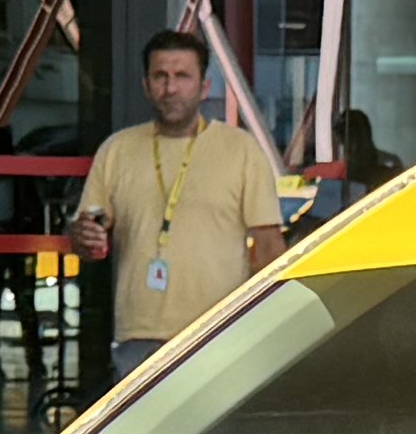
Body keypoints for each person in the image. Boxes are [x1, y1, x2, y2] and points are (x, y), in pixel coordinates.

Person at [67, 29, 294, 370]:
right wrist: (83, 236)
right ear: (146, 86)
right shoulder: (117, 150)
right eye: (160, 76)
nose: (170, 88)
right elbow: (87, 238)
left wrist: (267, 332)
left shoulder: (241, 150)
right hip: (138, 337)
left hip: (218, 333)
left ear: (204, 87)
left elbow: (268, 248)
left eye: (182, 76)